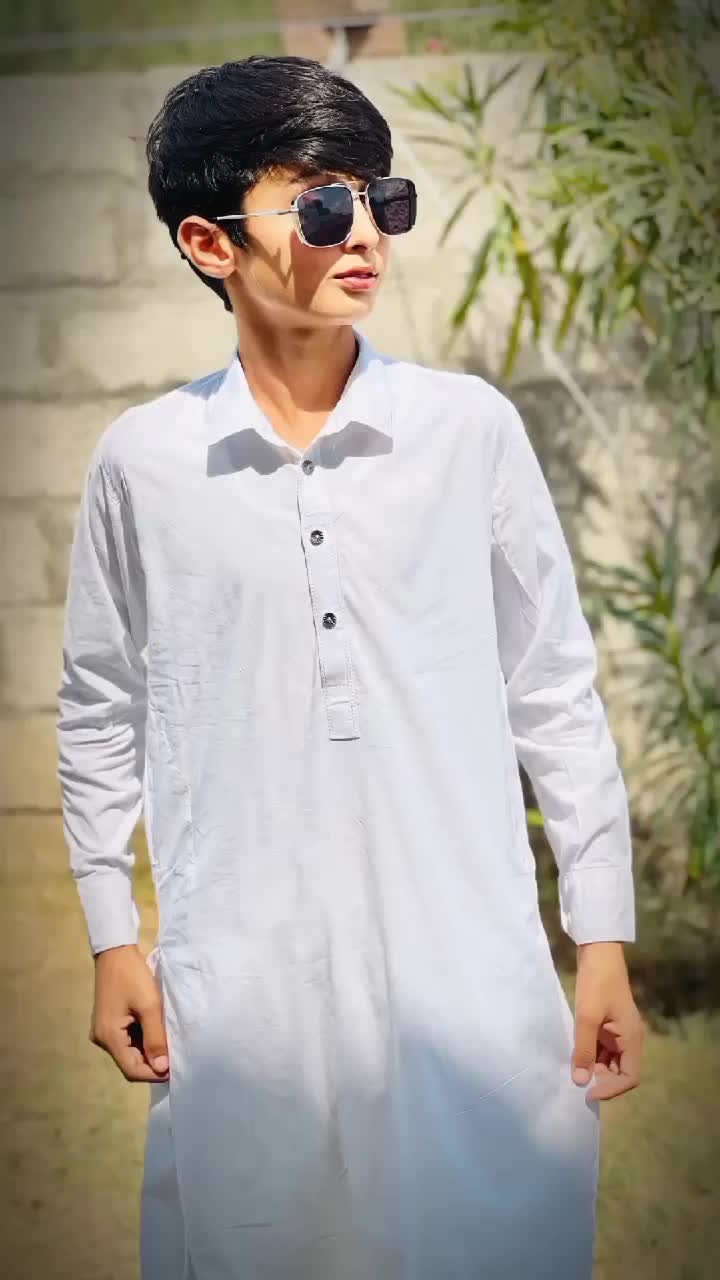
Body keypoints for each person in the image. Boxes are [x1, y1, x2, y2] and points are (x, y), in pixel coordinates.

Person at [55, 54, 645, 1280]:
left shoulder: (468, 430)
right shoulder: (145, 461)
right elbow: (101, 703)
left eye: (383, 198)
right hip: (247, 980)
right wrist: (113, 933)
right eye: (324, 204)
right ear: (211, 243)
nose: (366, 230)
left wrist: (601, 936)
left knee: (492, 1236)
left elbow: (553, 687)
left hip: (467, 968)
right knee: (261, 1234)